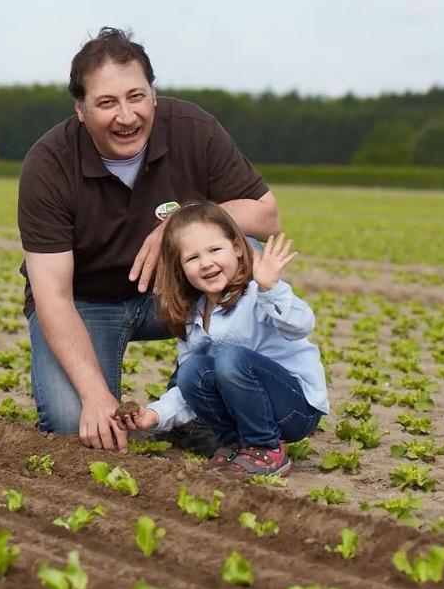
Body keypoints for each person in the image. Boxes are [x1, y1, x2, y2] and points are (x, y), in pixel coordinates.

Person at [17, 27, 280, 452]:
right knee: (75, 429)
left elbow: (266, 216)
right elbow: (53, 297)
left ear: (153, 95)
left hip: (171, 294)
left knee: (252, 258)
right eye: (107, 102)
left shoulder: (193, 129)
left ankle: (194, 404)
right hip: (87, 303)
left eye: (136, 96)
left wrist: (182, 224)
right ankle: (109, 396)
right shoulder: (48, 166)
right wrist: (96, 395)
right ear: (81, 109)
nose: (126, 116)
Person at [111, 202, 327, 479]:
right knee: (190, 371)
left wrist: (271, 288)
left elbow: (301, 325)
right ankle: (235, 444)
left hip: (295, 409)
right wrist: (154, 416)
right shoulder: (194, 316)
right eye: (192, 258)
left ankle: (266, 448)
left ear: (237, 247)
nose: (206, 263)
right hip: (248, 409)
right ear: (180, 268)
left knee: (230, 358)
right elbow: (189, 390)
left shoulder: (256, 295)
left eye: (215, 250)